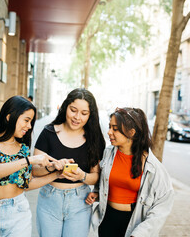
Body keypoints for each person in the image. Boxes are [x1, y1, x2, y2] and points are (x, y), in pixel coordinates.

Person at [0, 96, 57, 237]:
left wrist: (56, 174)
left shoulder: (22, 149)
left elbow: (26, 184)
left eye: (31, 122)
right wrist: (29, 160)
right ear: (9, 117)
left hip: (19, 212)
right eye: (26, 120)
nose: (30, 126)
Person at [86, 107, 174, 237]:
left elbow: (162, 205)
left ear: (131, 132)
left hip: (133, 223)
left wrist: (141, 233)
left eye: (115, 129)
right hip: (107, 219)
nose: (109, 132)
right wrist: (97, 193)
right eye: (110, 127)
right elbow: (105, 181)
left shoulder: (152, 166)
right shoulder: (108, 153)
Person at [33, 88, 106, 237]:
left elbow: (95, 176)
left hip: (80, 202)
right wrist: (52, 166)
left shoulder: (94, 139)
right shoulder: (48, 133)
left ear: (90, 115)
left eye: (84, 113)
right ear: (65, 107)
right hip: (49, 200)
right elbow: (35, 170)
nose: (77, 117)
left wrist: (82, 176)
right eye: (73, 110)